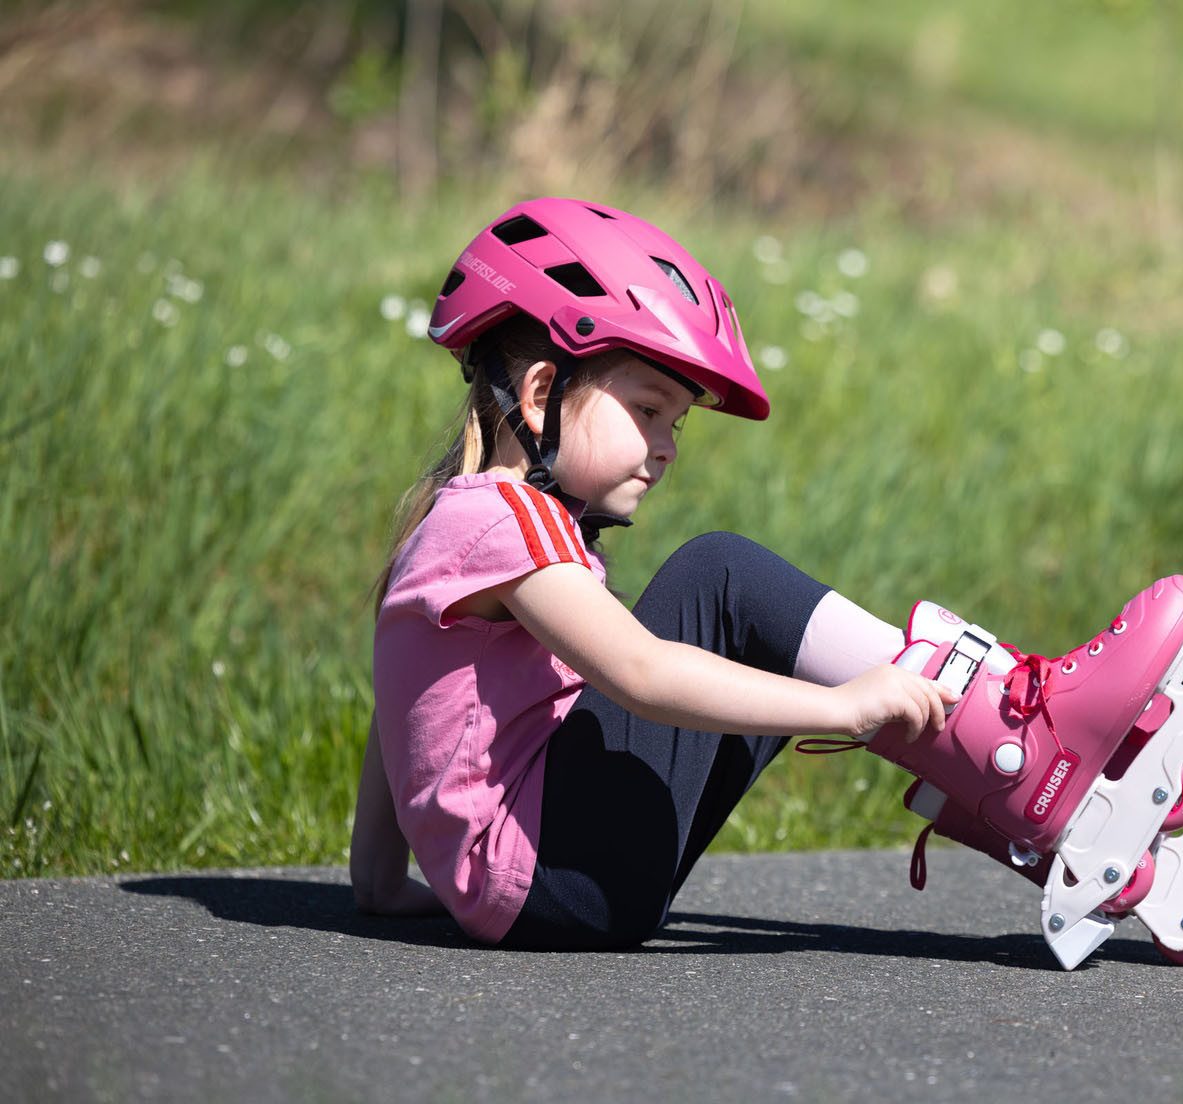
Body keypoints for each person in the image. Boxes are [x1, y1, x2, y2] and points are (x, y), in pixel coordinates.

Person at [349, 198, 958, 949]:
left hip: (542, 886)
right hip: (552, 874)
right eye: (647, 410)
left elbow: (400, 702)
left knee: (745, 620)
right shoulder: (508, 517)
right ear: (542, 395)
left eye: (675, 423)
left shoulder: (452, 525)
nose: (667, 446)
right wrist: (846, 708)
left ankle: (995, 761)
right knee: (721, 576)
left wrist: (377, 878)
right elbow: (640, 672)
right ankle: (1003, 727)